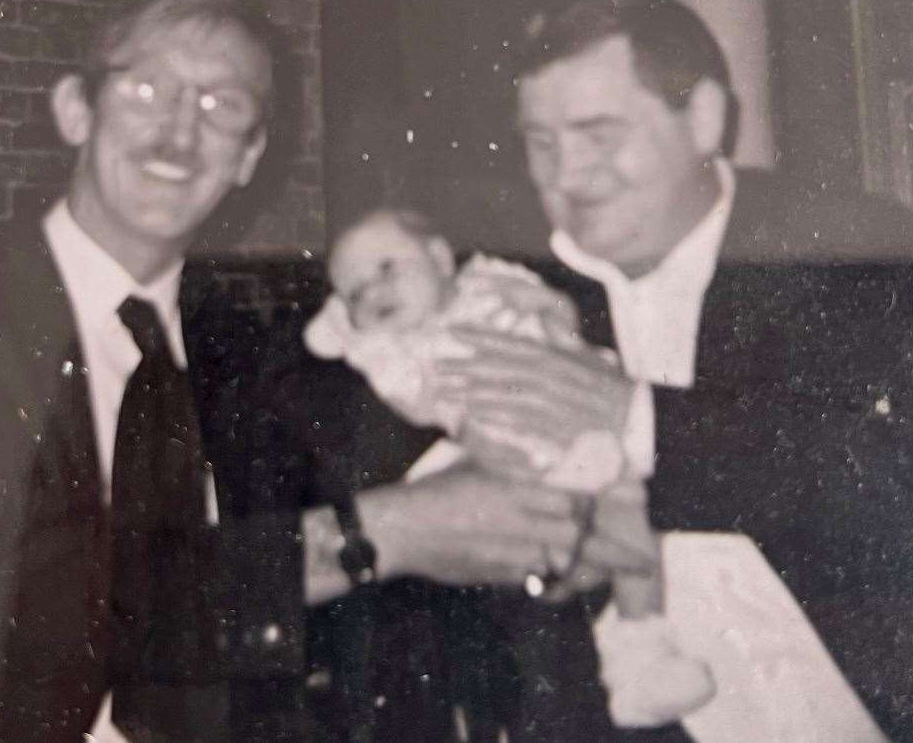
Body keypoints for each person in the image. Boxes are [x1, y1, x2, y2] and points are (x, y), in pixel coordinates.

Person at [0, 0, 652, 742]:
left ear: (249, 157)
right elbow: (15, 594)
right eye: (147, 89)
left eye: (223, 106)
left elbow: (356, 591)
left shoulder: (253, 357)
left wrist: (544, 533)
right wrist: (381, 536)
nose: (179, 132)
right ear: (76, 110)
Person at [435, 0, 913, 739]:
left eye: (599, 135)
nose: (566, 177)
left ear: (702, 118)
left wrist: (639, 421)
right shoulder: (501, 283)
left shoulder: (846, 248)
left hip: (844, 705)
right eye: (541, 143)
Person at [302, 207, 715, 733]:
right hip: (506, 458)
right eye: (354, 293)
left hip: (584, 426)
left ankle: (643, 654)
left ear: (439, 258)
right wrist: (354, 336)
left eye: (386, 269)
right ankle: (622, 665)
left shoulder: (493, 279)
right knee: (546, 556)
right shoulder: (399, 349)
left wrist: (548, 308)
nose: (374, 293)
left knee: (632, 534)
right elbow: (415, 401)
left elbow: (559, 314)